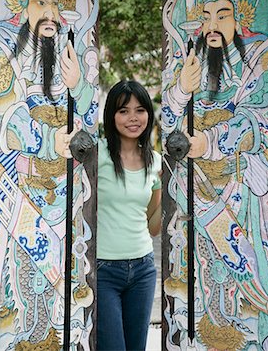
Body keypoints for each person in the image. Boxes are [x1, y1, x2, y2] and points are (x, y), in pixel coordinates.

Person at [162, 0, 268, 350]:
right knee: (203, 269)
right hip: (196, 187)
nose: (213, 24)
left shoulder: (257, 67)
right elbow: (167, 126)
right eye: (207, 15)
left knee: (236, 267)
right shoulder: (191, 66)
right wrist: (181, 91)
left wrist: (211, 142)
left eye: (223, 14)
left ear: (238, 19)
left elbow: (260, 125)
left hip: (237, 185)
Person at [0, 0, 98, 349]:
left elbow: (87, 126)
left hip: (65, 192)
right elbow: (3, 118)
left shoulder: (68, 54)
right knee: (27, 277)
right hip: (21, 187)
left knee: (62, 279)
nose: (50, 11)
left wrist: (80, 87)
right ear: (23, 2)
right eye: (41, 0)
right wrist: (45, 141)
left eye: (57, 2)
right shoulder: (4, 50)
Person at [97, 80, 162, 351]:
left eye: (139, 110)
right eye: (123, 111)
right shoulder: (96, 153)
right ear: (112, 115)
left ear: (149, 113)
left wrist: (167, 189)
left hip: (143, 269)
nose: (133, 118)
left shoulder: (156, 161)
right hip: (102, 271)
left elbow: (154, 226)